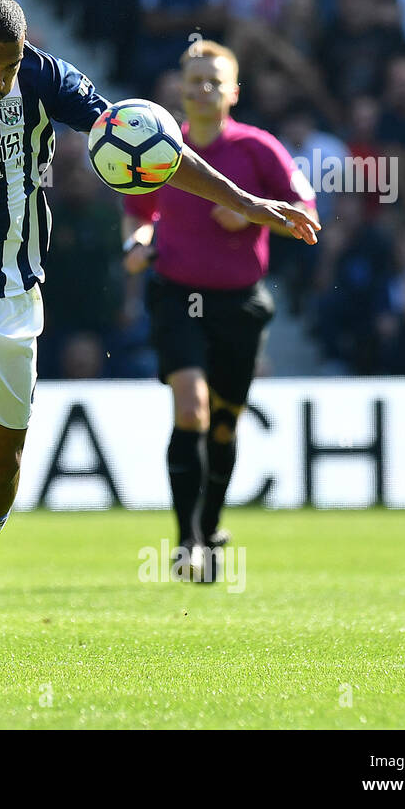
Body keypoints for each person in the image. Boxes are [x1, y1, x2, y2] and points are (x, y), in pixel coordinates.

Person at [0, 0, 319, 646]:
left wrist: (250, 203)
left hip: (11, 292)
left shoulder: (43, 79)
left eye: (8, 68)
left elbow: (146, 146)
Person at [122, 39, 320, 581]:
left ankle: (209, 528)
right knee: (192, 408)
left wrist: (256, 216)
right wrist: (136, 245)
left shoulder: (258, 148)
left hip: (240, 301)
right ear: (180, 91)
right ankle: (186, 543)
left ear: (234, 91)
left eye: (214, 82)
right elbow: (139, 212)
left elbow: (304, 209)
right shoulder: (158, 147)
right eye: (194, 82)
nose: (203, 90)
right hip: (176, 294)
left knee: (225, 425)